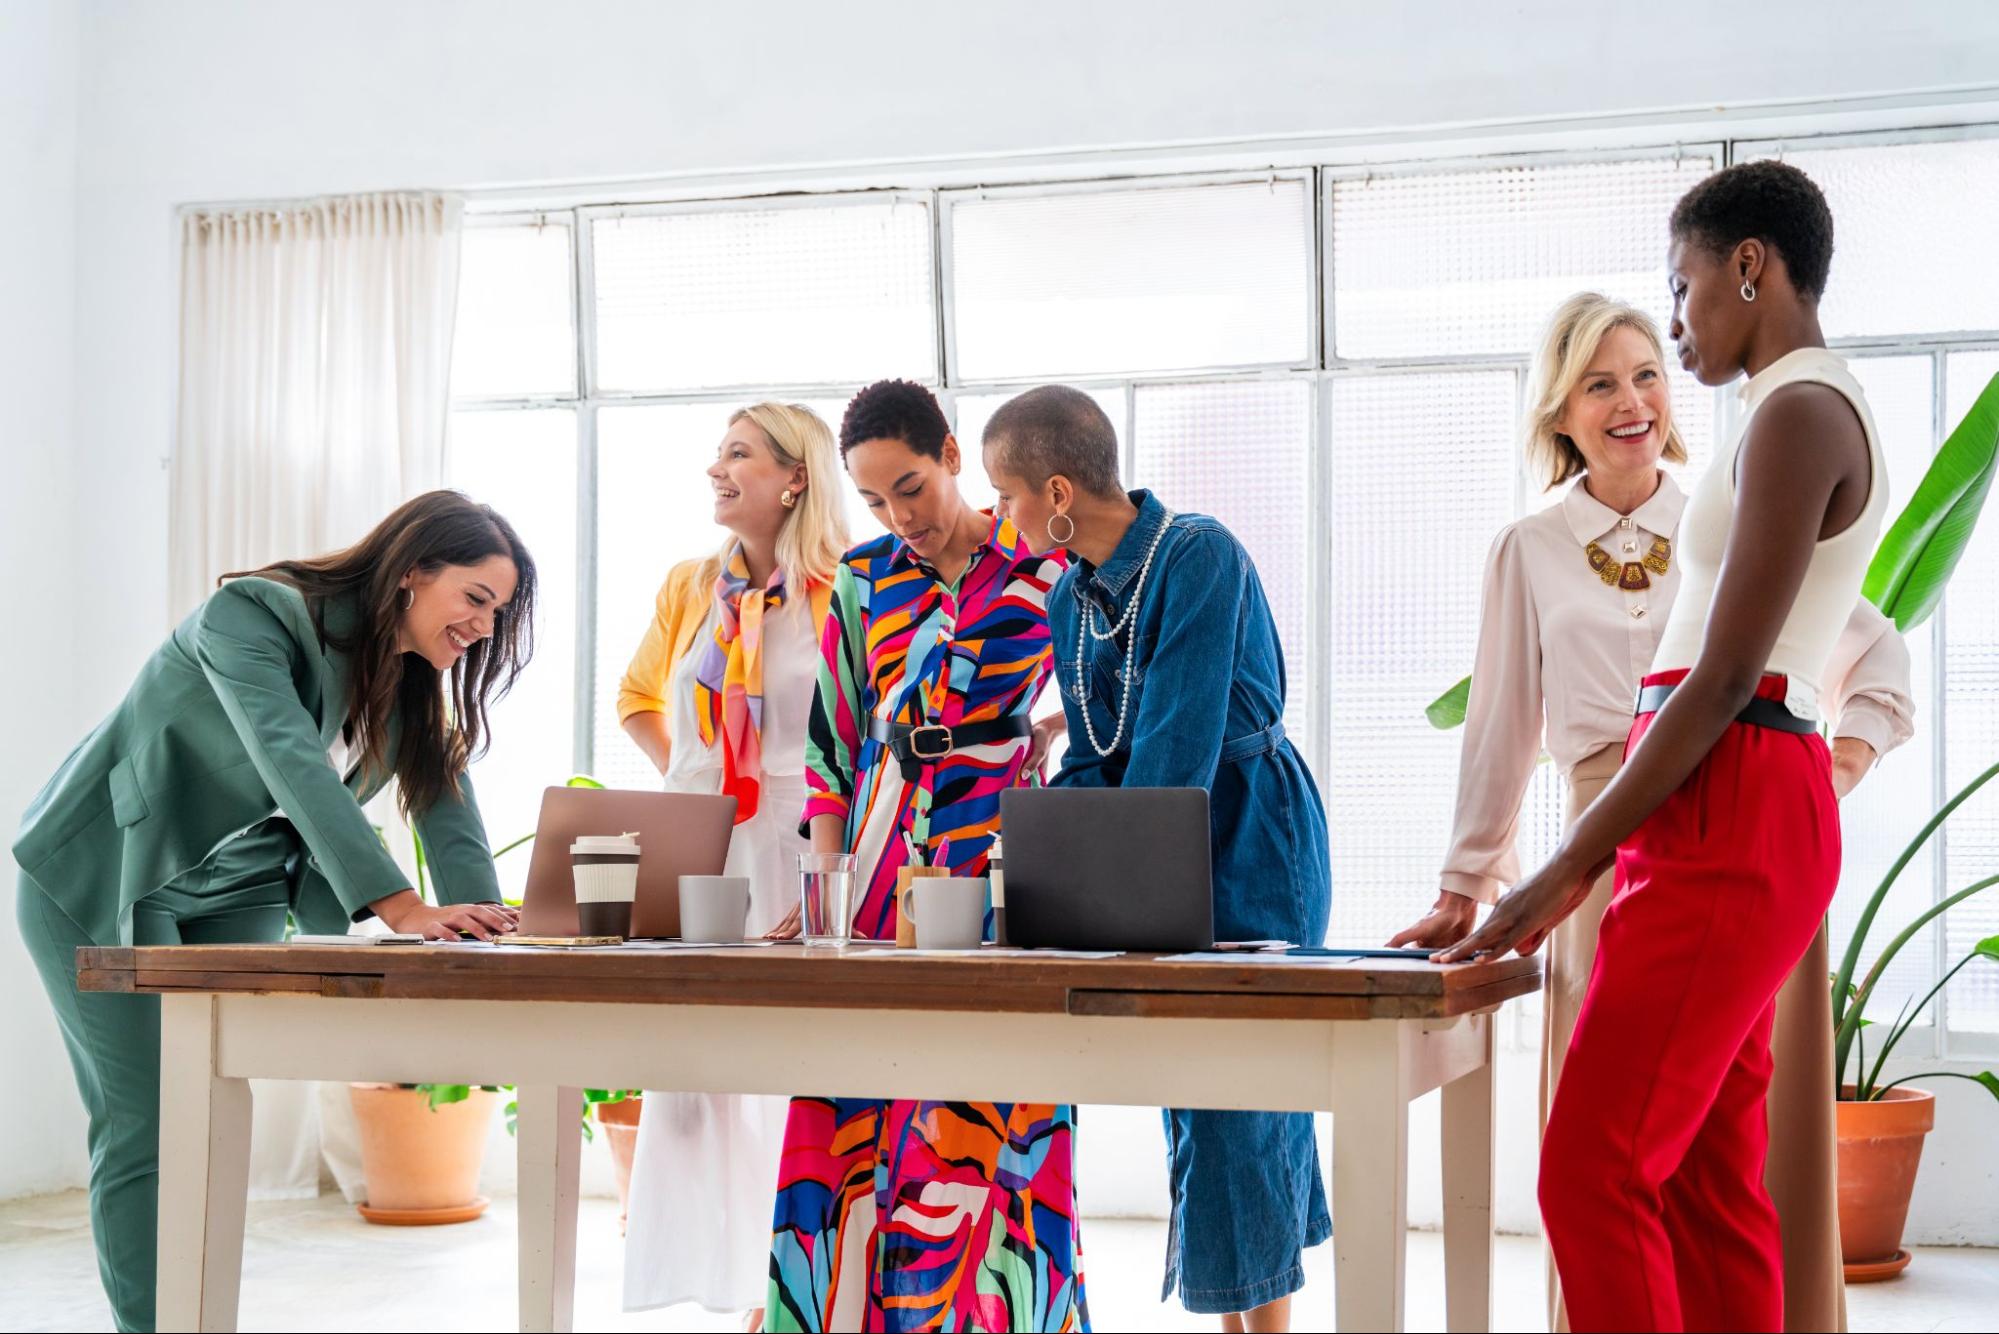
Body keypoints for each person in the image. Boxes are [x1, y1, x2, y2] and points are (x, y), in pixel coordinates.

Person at [1389, 291, 1913, 1333]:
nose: (1631, 397)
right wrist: (1470, 881)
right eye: (1597, 381)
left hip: (1716, 811)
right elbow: (1498, 728)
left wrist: (1828, 757)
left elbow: (1836, 650)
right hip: (1623, 818)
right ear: (1560, 410)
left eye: (1643, 373)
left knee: (1611, 1165)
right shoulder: (1531, 547)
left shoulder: (1735, 495)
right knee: (1678, 1167)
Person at [13, 491, 533, 1332]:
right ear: (410, 573)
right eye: (474, 597)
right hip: (104, 877)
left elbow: (442, 793)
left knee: (211, 1119)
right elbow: (289, 757)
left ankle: (201, 1315)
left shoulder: (407, 683)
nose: (483, 624)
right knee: (145, 1121)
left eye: (498, 611)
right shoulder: (252, 616)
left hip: (241, 891)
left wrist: (486, 915)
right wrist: (398, 905)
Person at [982, 384, 1331, 1334]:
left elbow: (1173, 752)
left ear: (1057, 492)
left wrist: (1053, 833)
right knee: (1198, 1089)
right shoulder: (1070, 594)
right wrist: (1018, 838)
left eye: (1007, 497)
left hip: (1249, 835)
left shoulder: (1198, 555)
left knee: (1240, 1097)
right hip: (1153, 831)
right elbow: (1101, 756)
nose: (1001, 521)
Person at [766, 380, 1083, 1332]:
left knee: (993, 1111)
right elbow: (830, 749)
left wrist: (1041, 735)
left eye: (909, 487)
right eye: (872, 500)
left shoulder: (1046, 567)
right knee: (855, 1106)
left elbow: (1103, 705)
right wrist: (823, 901)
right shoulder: (866, 581)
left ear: (953, 455)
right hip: (874, 876)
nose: (897, 517)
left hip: (1003, 876)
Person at [615, 404, 848, 1324]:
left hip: (797, 844)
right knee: (693, 1081)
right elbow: (639, 698)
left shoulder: (845, 587)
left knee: (791, 1072)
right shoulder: (688, 586)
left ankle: (785, 1289)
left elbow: (857, 730)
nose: (717, 469)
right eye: (717, 453)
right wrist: (698, 783)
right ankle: (725, 1282)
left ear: (795, 478)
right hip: (702, 845)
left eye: (738, 454)